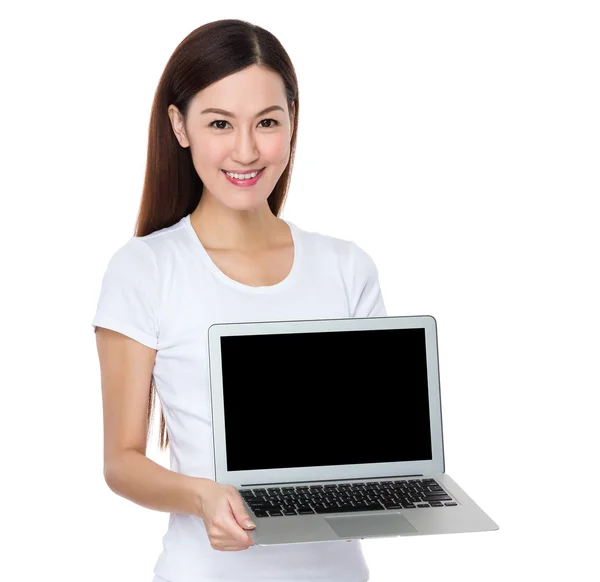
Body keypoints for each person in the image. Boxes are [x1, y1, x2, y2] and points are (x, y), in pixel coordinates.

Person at [91, 18, 387, 582]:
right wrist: (202, 496)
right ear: (180, 126)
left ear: (292, 124)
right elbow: (121, 463)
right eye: (220, 123)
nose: (246, 151)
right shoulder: (146, 270)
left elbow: (370, 444)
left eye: (267, 122)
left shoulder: (349, 268)